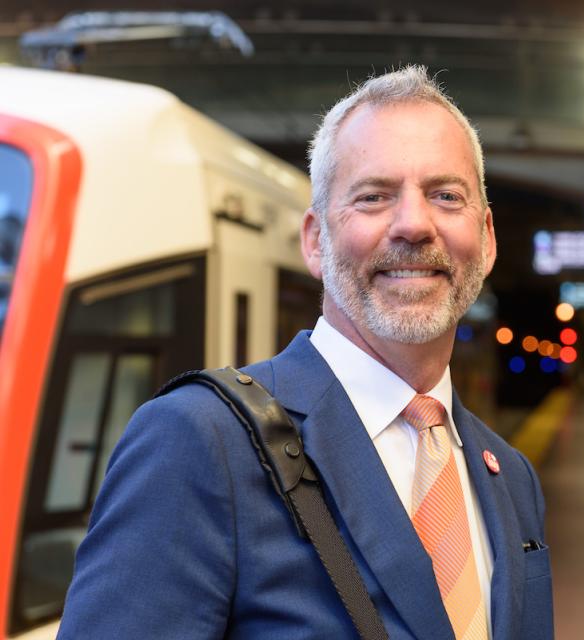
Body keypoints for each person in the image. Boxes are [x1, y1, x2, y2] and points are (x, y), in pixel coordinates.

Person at [57, 66, 554, 639]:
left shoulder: (511, 479)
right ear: (316, 241)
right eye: (373, 197)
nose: (415, 224)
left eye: (446, 196)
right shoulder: (197, 442)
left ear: (487, 239)